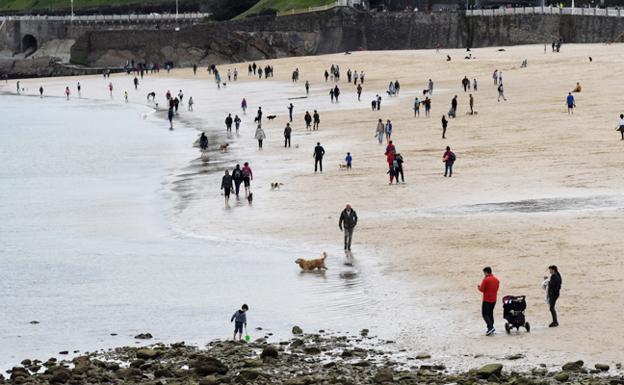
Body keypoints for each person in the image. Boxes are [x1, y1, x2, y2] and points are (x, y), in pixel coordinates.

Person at [478, 267, 500, 336]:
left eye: (484, 273)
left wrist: (478, 287)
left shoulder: (486, 280)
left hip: (487, 299)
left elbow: (482, 289)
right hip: (494, 300)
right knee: (490, 314)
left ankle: (490, 328)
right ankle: (490, 328)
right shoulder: (497, 280)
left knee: (485, 314)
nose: (484, 274)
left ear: (486, 272)